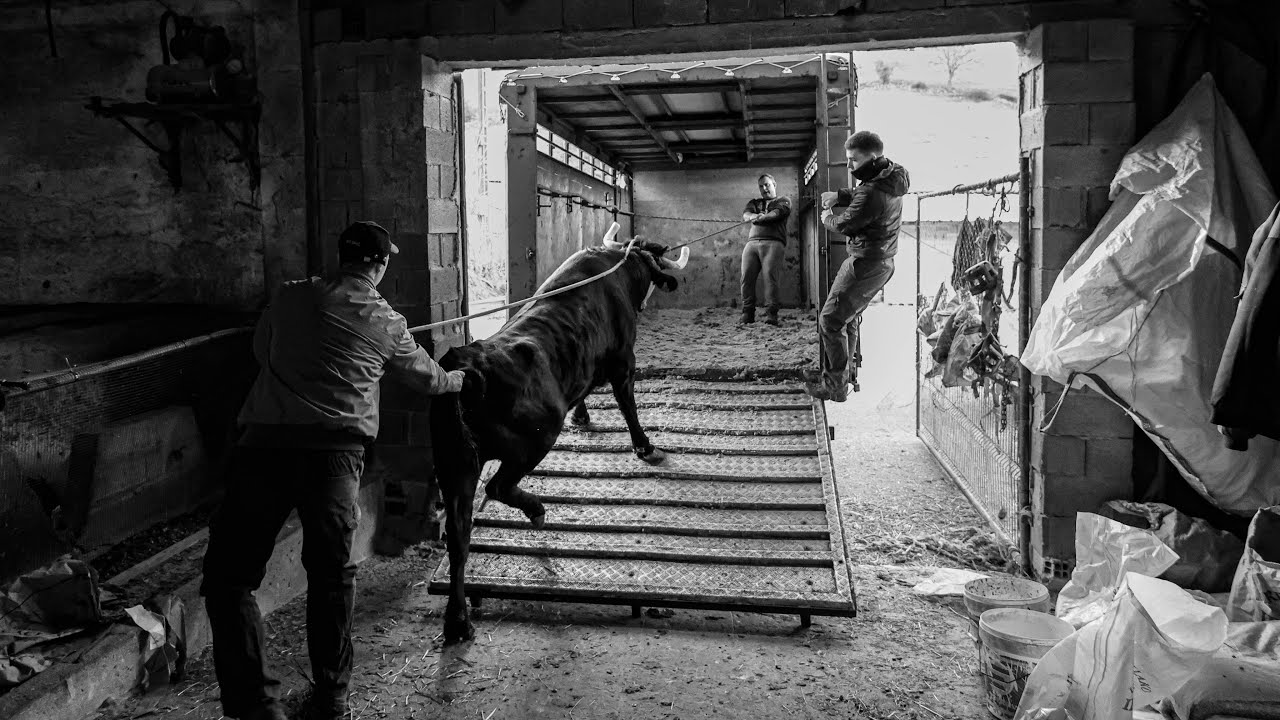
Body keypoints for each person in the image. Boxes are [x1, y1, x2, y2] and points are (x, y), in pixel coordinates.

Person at [200, 221, 464, 720]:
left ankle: (257, 703)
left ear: (342, 256)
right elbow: (428, 380)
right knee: (330, 575)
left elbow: (263, 352)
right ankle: (331, 696)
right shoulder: (386, 323)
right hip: (333, 457)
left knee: (228, 579)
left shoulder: (288, 297)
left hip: (262, 448)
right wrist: (457, 380)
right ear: (380, 264)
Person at [806, 131, 910, 402]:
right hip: (879, 260)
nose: (850, 166)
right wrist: (839, 195)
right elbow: (863, 191)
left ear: (872, 157)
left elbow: (845, 224)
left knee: (830, 320)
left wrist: (827, 217)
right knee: (846, 319)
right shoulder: (892, 175)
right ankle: (843, 376)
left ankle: (835, 387)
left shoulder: (873, 193)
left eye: (853, 160)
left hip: (865, 264)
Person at [739, 173, 792, 326]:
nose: (764, 188)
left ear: (774, 184)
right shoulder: (754, 202)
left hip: (774, 243)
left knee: (770, 277)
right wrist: (754, 216)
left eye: (767, 184)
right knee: (746, 277)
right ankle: (747, 313)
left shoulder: (784, 200)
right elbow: (746, 215)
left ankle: (771, 314)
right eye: (761, 186)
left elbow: (777, 213)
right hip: (752, 243)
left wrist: (763, 217)